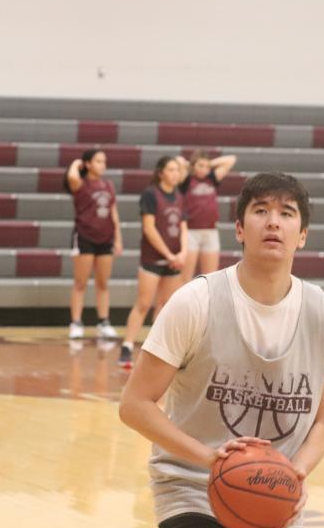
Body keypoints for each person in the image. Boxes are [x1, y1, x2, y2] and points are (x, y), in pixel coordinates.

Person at [119, 172, 324, 528]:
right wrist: (213, 460)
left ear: (302, 235)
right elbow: (134, 405)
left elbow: (321, 422)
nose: (273, 223)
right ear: (240, 229)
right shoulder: (195, 302)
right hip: (192, 487)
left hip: (272, 493)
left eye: (286, 214)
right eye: (261, 211)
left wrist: (295, 473)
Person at [118, 155, 188, 369]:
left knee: (165, 306)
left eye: (178, 170)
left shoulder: (179, 195)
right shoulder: (150, 194)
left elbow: (183, 228)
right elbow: (149, 228)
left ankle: (157, 350)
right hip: (153, 258)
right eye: (171, 169)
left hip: (175, 259)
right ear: (161, 173)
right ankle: (127, 346)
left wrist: (183, 252)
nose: (176, 173)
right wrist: (168, 254)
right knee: (143, 303)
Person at [65, 149, 123, 340]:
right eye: (98, 161)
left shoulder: (108, 186)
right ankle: (75, 322)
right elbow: (72, 176)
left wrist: (118, 238)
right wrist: (76, 163)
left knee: (103, 282)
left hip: (105, 237)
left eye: (104, 161)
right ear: (88, 164)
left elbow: (114, 213)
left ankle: (104, 322)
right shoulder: (80, 184)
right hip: (85, 236)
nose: (102, 165)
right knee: (81, 282)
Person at [179, 151, 238, 282]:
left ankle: (207, 303)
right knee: (185, 278)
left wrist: (209, 164)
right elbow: (178, 160)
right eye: (200, 166)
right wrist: (192, 165)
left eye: (206, 167)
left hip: (210, 232)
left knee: (211, 277)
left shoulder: (212, 178)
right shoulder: (186, 179)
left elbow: (231, 159)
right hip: (190, 233)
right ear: (193, 166)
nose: (204, 169)